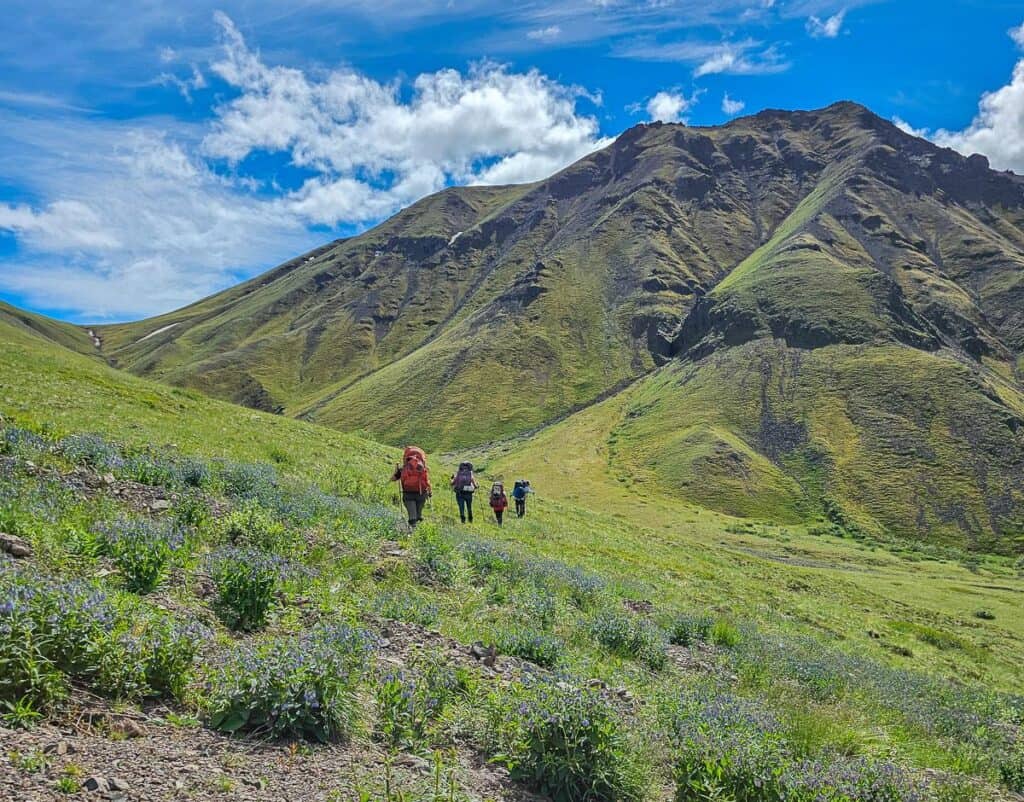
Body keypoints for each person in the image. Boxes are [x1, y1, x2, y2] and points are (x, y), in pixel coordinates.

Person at [392, 446, 431, 527]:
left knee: (412, 515)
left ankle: (413, 531)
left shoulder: (404, 468)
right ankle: (420, 532)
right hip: (421, 494)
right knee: (418, 515)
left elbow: (393, 479)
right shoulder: (422, 468)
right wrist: (430, 492)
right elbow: (427, 481)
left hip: (408, 494)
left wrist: (396, 471)